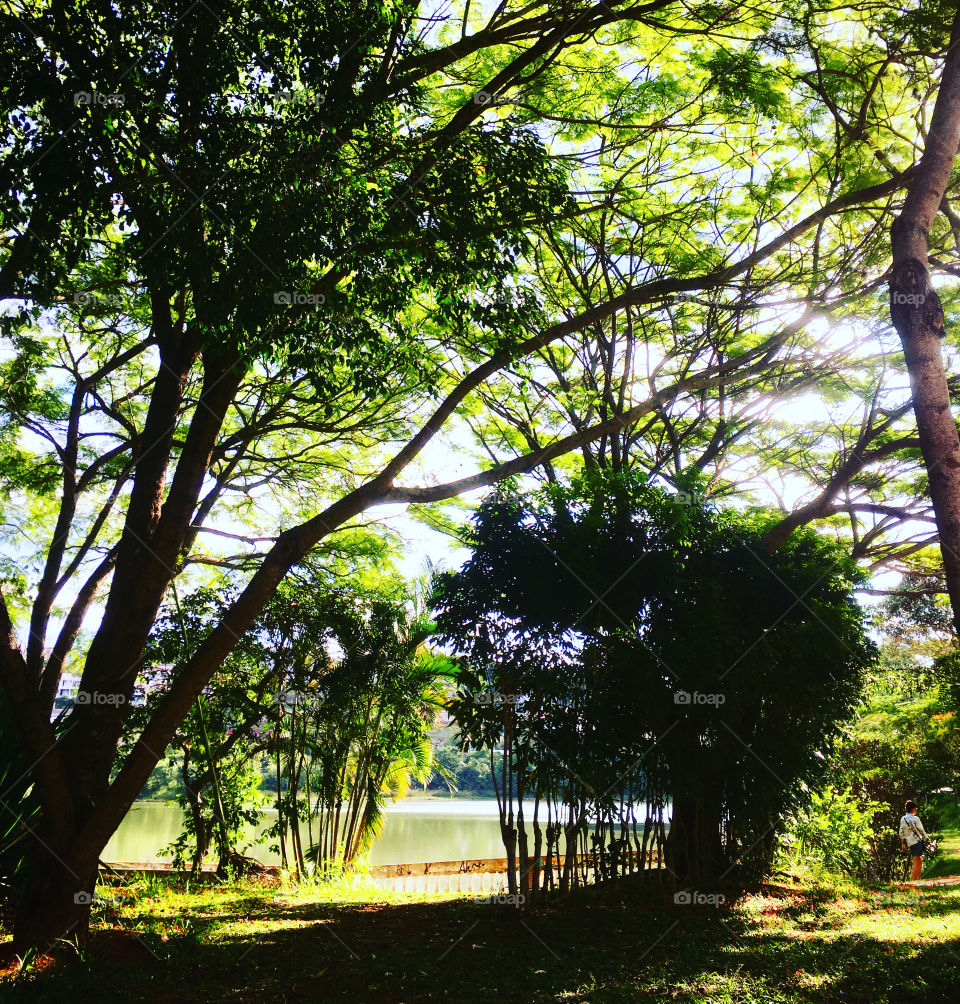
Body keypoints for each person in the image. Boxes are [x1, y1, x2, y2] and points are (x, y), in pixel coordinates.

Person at [899, 800, 929, 881]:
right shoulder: (915, 818)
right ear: (913, 809)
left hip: (909, 842)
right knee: (917, 860)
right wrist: (926, 839)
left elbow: (901, 833)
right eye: (915, 808)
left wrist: (903, 844)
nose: (916, 809)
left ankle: (916, 878)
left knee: (917, 859)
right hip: (916, 841)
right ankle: (914, 879)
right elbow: (921, 830)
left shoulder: (903, 818)